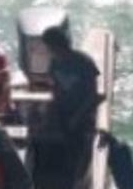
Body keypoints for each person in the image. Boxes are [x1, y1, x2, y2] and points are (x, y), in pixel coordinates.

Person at [42, 26, 103, 179]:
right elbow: (55, 86)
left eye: (49, 47)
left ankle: (81, 178)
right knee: (64, 142)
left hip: (83, 112)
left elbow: (92, 94)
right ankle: (69, 171)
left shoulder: (83, 62)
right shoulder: (54, 62)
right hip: (64, 110)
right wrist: (52, 108)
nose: (48, 50)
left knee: (81, 144)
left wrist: (78, 116)